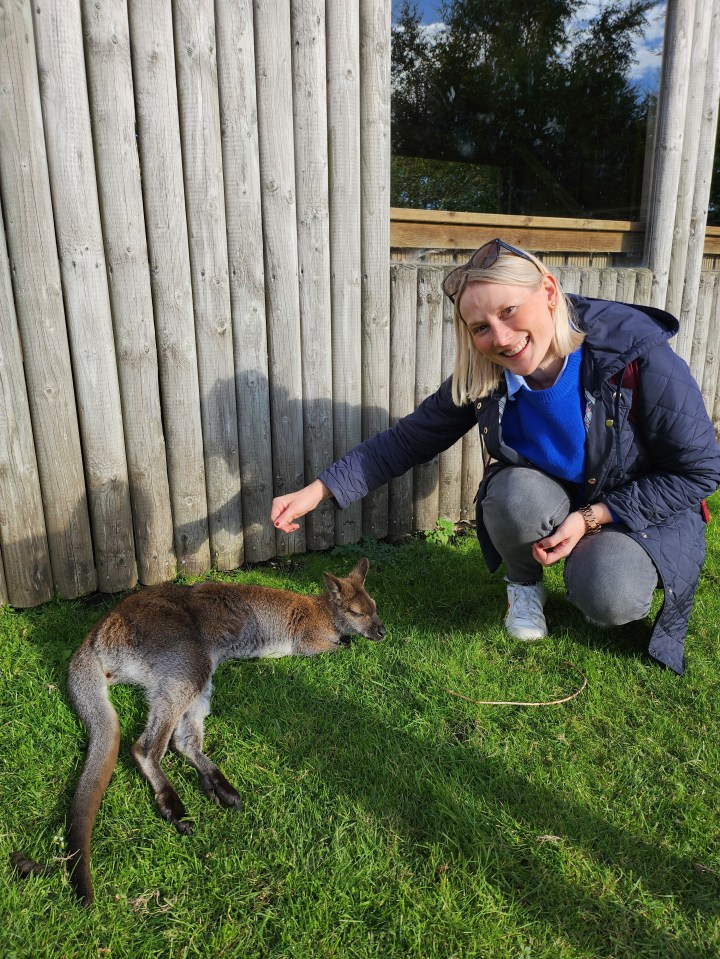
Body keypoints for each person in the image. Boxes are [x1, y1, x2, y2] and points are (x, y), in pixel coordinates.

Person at [271, 238, 720, 674]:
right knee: (510, 493)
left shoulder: (637, 359)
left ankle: (598, 570)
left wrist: (592, 518)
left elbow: (698, 472)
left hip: (636, 510)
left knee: (610, 593)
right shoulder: (487, 373)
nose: (502, 338)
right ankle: (524, 586)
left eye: (509, 311)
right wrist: (321, 489)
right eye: (481, 327)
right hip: (550, 499)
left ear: (547, 291)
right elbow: (410, 439)